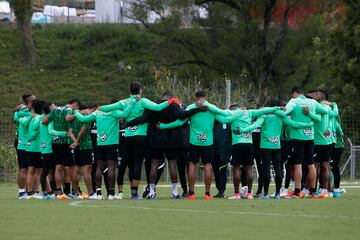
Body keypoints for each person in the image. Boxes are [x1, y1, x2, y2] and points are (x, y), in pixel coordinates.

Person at [99, 81, 180, 199]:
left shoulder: (124, 102)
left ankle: (132, 192)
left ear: (129, 91)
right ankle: (134, 193)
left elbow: (109, 107)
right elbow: (157, 107)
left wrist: (99, 107)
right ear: (140, 90)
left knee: (131, 164)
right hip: (141, 135)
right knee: (138, 163)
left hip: (128, 136)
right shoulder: (143, 101)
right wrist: (171, 101)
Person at [124, 91, 203, 199]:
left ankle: (151, 192)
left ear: (162, 97)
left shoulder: (153, 105)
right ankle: (175, 193)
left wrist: (128, 123)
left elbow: (142, 119)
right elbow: (181, 115)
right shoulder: (173, 105)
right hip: (172, 139)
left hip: (156, 139)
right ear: (171, 97)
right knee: (172, 165)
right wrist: (197, 109)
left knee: (154, 165)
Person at [159, 90, 232, 200]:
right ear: (205, 97)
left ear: (195, 97)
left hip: (194, 142)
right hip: (208, 143)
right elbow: (225, 118)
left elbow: (179, 122)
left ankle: (191, 193)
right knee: (208, 166)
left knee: (192, 166)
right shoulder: (211, 108)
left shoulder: (191, 108)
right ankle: (207, 194)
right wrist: (241, 115)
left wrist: (164, 126)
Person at [239, 97, 313, 199]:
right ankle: (278, 193)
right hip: (277, 146)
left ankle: (265, 194)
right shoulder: (280, 115)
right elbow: (294, 124)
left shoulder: (264, 115)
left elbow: (255, 125)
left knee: (265, 169)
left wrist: (243, 130)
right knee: (278, 169)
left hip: (265, 146)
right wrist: (308, 124)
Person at [74, 99, 136, 200]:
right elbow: (126, 113)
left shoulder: (97, 113)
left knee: (99, 167)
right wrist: (132, 103)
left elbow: (83, 119)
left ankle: (98, 193)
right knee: (111, 168)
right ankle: (111, 193)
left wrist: (76, 112)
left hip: (100, 143)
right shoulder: (114, 112)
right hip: (111, 144)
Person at [215, 104, 280, 200]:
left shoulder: (234, 115)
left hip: (237, 144)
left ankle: (237, 194)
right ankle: (249, 194)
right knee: (248, 169)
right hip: (249, 144)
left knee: (236, 168)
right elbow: (264, 111)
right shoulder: (249, 114)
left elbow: (223, 119)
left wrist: (213, 113)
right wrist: (277, 108)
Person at [284, 86, 328, 198]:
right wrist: (312, 115)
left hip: (298, 138)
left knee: (297, 165)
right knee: (310, 164)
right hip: (310, 138)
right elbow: (324, 112)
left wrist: (281, 111)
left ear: (294, 93)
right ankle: (313, 191)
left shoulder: (294, 101)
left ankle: (297, 191)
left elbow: (286, 111)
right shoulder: (312, 102)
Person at [43, 99, 81, 199]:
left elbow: (45, 120)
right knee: (70, 167)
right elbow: (68, 118)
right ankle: (73, 192)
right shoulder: (68, 109)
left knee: (58, 167)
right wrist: (77, 114)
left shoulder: (55, 111)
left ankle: (58, 192)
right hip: (65, 142)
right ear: (74, 105)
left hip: (55, 142)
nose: (76, 109)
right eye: (76, 108)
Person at [306, 90, 338, 198]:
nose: (314, 95)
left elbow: (318, 118)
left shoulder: (318, 107)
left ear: (320, 96)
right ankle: (326, 191)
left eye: (316, 94)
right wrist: (334, 104)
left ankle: (310, 190)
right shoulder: (329, 108)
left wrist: (308, 113)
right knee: (325, 166)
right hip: (328, 141)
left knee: (313, 166)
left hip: (318, 142)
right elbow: (335, 114)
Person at [68, 105, 96, 200]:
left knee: (76, 169)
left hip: (77, 147)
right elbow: (83, 131)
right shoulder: (86, 119)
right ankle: (91, 193)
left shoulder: (73, 118)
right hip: (86, 145)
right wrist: (77, 141)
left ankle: (76, 193)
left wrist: (75, 142)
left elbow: (70, 131)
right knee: (87, 170)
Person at [13, 94, 35, 199]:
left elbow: (15, 114)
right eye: (34, 99)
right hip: (24, 144)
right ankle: (22, 193)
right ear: (30, 101)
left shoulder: (21, 112)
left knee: (30, 168)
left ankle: (27, 191)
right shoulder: (26, 112)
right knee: (24, 168)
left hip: (26, 143)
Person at [24, 99, 44, 199]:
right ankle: (35, 192)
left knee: (31, 170)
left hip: (30, 148)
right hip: (37, 148)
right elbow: (36, 128)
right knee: (38, 171)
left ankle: (30, 192)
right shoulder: (39, 117)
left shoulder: (32, 117)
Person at [39, 102, 56, 199]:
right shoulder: (49, 117)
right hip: (49, 147)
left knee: (46, 171)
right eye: (52, 106)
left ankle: (46, 193)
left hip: (44, 147)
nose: (54, 107)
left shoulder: (43, 117)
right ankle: (51, 192)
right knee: (51, 170)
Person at [212, 120, 232, 198]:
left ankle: (222, 190)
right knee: (216, 171)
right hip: (213, 151)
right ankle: (219, 190)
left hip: (225, 151)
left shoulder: (228, 122)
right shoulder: (213, 122)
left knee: (222, 171)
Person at [331, 113, 344, 198]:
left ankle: (336, 189)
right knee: (329, 167)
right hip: (331, 146)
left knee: (334, 167)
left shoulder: (334, 122)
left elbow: (341, 133)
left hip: (337, 146)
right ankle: (329, 188)